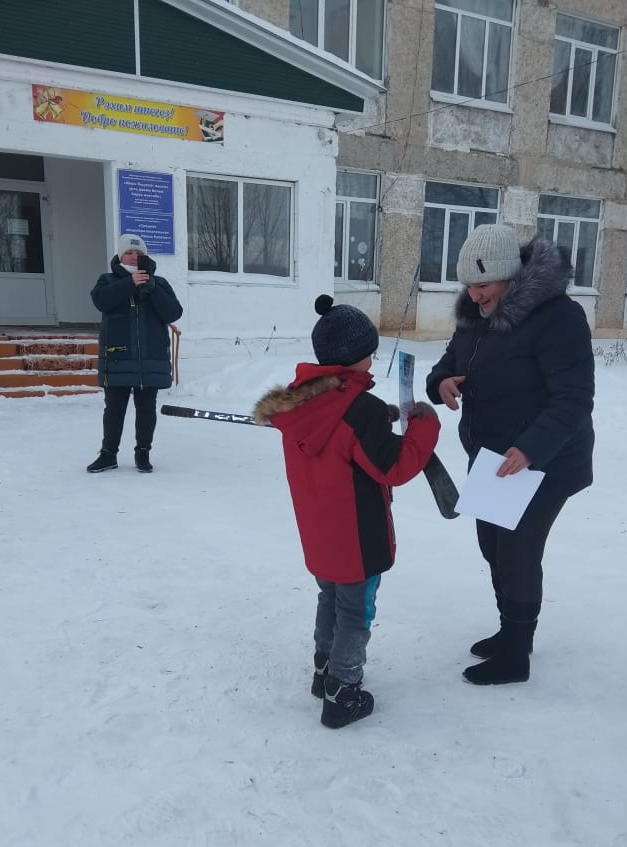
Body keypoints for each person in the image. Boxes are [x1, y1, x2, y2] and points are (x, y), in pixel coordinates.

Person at [254, 295, 440, 728]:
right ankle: (343, 692)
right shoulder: (360, 411)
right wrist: (425, 425)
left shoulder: (301, 403)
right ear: (357, 356)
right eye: (370, 351)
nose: (373, 358)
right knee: (356, 612)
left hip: (320, 533)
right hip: (357, 537)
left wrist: (379, 420)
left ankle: (324, 670)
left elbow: (338, 433)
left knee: (331, 598)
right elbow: (394, 467)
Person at [425, 222, 595, 686]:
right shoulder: (474, 314)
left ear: (510, 275)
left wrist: (531, 448)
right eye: (469, 285)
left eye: (483, 284)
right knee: (493, 548)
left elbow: (574, 398)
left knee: (517, 551)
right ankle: (510, 631)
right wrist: (441, 383)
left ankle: (516, 654)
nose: (474, 294)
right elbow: (448, 362)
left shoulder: (558, 317)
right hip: (493, 458)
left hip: (545, 460)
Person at [86, 233, 183, 474]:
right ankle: (108, 454)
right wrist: (129, 283)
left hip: (150, 359)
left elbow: (173, 313)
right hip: (117, 358)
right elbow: (101, 302)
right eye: (128, 252)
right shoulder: (107, 280)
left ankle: (143, 453)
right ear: (120, 256)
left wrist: (152, 288)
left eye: (138, 253)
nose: (133, 257)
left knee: (147, 409)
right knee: (114, 410)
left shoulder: (159, 283)